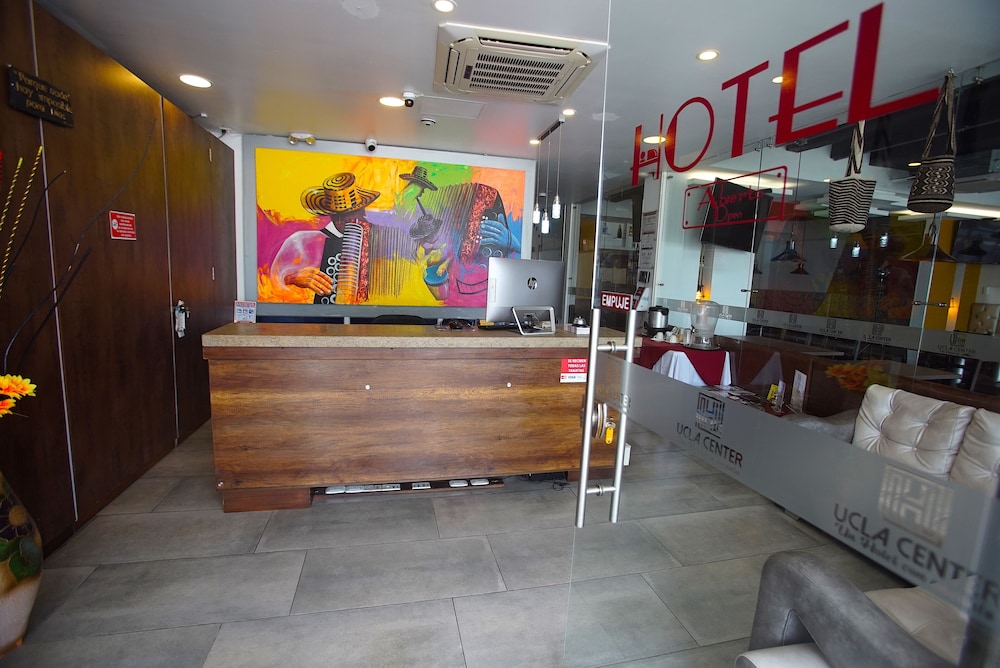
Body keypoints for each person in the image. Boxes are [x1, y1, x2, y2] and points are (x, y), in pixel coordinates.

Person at [270, 172, 379, 304]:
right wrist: (292, 278)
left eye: (359, 210)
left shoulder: (378, 241)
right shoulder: (301, 241)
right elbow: (273, 281)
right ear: (333, 216)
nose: (359, 218)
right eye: (347, 214)